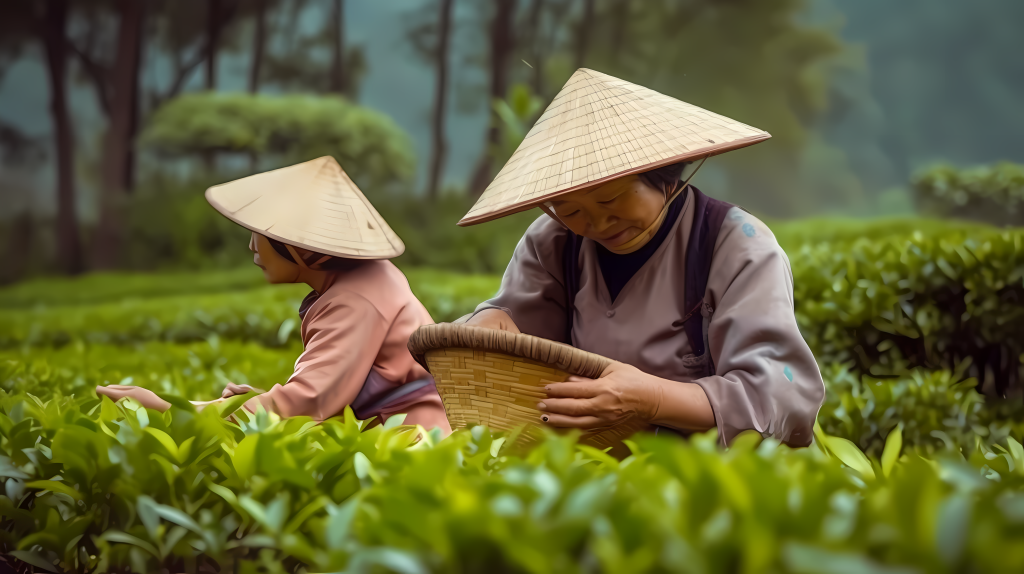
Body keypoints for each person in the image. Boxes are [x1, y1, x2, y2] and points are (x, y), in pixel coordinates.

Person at [459, 69, 824, 447]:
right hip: (587, 477)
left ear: (664, 177)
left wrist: (650, 399)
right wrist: (490, 320)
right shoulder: (553, 241)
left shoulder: (737, 246)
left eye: (611, 199)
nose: (597, 223)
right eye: (570, 209)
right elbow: (515, 338)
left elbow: (778, 399)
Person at [97, 157, 451, 434]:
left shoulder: (356, 299)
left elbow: (307, 402)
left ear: (301, 246)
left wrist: (172, 410)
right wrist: (251, 402)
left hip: (408, 442)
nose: (252, 245)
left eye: (262, 235)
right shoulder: (362, 282)